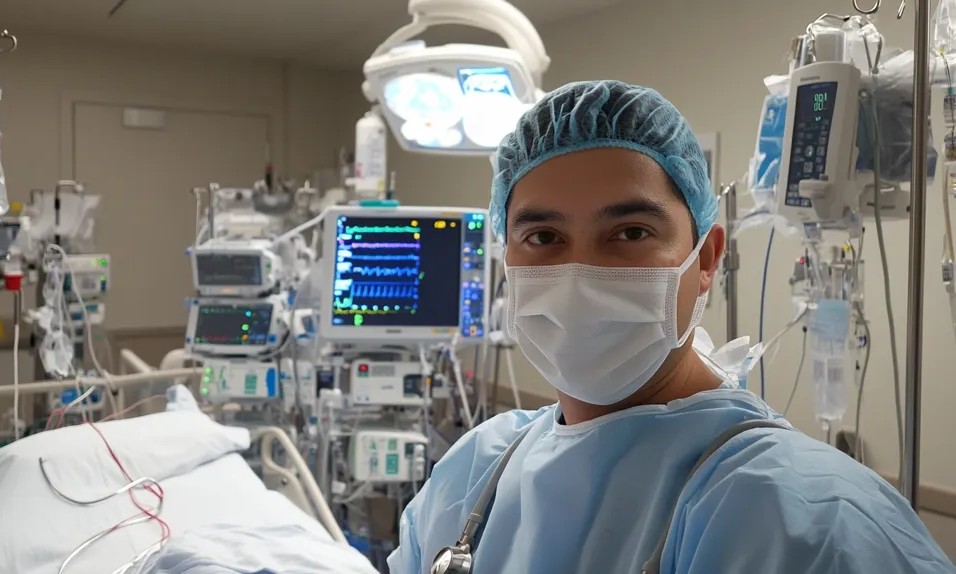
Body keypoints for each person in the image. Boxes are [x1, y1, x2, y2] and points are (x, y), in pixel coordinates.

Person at [387, 80, 955, 574]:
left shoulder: (812, 521)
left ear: (705, 259)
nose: (580, 276)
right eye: (543, 237)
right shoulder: (476, 469)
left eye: (630, 232)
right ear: (507, 258)